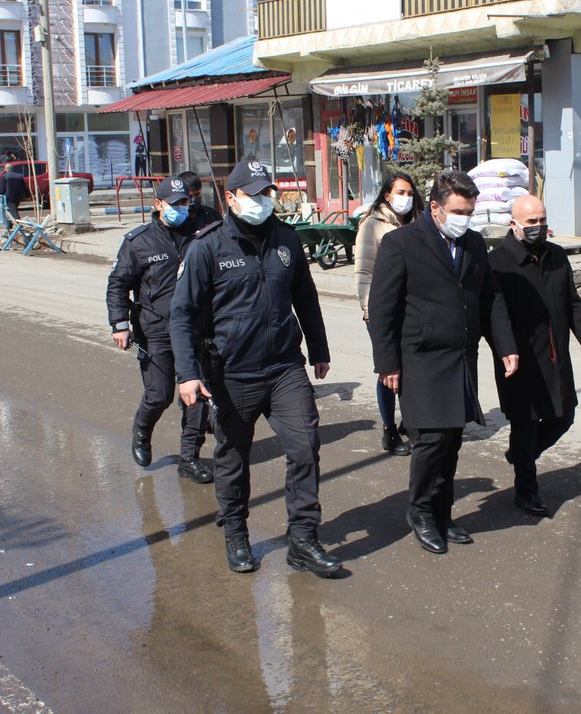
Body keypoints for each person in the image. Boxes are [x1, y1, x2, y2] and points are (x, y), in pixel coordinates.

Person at [170, 160, 341, 578]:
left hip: (285, 366)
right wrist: (188, 374)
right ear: (231, 198)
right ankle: (236, 533)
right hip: (232, 373)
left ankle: (303, 539)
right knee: (233, 458)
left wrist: (318, 349)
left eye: (269, 193)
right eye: (255, 194)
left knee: (304, 448)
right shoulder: (207, 246)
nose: (265, 201)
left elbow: (306, 296)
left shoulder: (286, 239)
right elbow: (182, 314)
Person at [367, 169, 519, 555]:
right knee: (430, 441)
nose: (464, 218)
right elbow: (382, 309)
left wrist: (505, 346)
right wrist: (388, 365)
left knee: (451, 439)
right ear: (434, 208)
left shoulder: (471, 244)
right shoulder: (401, 243)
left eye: (469, 211)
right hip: (419, 358)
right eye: (458, 211)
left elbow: (491, 298)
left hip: (460, 357)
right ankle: (419, 512)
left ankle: (442, 511)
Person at [489, 195, 581, 517]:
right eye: (531, 222)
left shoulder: (557, 256)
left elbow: (573, 305)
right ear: (513, 223)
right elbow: (493, 316)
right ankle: (526, 491)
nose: (538, 226)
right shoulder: (498, 263)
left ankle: (520, 455)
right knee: (525, 426)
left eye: (542, 220)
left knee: (563, 417)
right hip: (519, 361)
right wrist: (505, 350)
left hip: (557, 358)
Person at [106, 176, 216, 485]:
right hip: (157, 331)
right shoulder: (138, 242)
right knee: (159, 395)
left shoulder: (199, 235)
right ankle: (142, 430)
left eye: (186, 203)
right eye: (175, 204)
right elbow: (118, 285)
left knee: (197, 395)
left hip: (196, 330)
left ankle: (189, 458)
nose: (182, 209)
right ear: (158, 205)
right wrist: (120, 324)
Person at [354, 172, 423, 456]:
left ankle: (412, 421)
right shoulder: (372, 226)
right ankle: (388, 429)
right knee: (389, 369)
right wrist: (371, 313)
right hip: (384, 311)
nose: (405, 198)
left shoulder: (419, 223)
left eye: (410, 192)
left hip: (414, 310)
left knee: (415, 367)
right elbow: (364, 272)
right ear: (387, 195)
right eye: (400, 192)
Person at [0, 162, 28, 231]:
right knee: (10, 212)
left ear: (6, 169)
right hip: (18, 197)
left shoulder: (4, 176)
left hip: (9, 197)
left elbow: (1, 188)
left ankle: (20, 227)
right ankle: (8, 228)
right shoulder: (19, 176)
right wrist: (27, 195)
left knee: (14, 212)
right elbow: (24, 187)